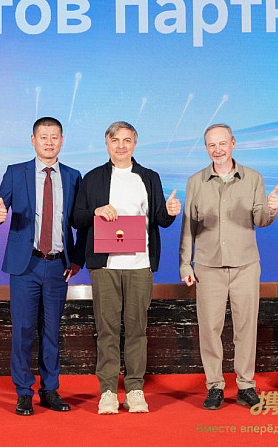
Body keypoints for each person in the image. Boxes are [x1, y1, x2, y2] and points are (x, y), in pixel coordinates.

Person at [72, 121, 180, 414]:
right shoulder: (92, 178)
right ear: (107, 144)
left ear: (135, 144)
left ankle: (134, 389)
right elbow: (77, 218)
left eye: (127, 140)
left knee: (136, 329)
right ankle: (108, 390)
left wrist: (170, 212)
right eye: (115, 140)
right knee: (106, 329)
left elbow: (160, 219)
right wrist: (95, 211)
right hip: (104, 265)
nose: (121, 146)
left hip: (140, 265)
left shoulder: (149, 177)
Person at [178, 123, 278, 411]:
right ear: (206, 148)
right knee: (210, 328)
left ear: (233, 143)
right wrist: (185, 264)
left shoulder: (253, 178)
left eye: (222, 143)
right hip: (207, 267)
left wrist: (271, 208)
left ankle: (246, 385)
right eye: (212, 145)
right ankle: (215, 386)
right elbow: (188, 226)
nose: (218, 150)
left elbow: (261, 220)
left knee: (245, 327)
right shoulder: (195, 181)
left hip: (245, 265)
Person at [0, 117, 83, 416]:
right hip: (25, 265)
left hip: (57, 266)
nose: (49, 142)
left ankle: (50, 390)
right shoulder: (16, 172)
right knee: (23, 331)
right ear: (33, 140)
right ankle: (23, 392)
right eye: (44, 136)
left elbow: (79, 222)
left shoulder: (73, 176)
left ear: (62, 141)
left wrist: (77, 259)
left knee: (52, 331)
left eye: (54, 137)